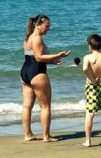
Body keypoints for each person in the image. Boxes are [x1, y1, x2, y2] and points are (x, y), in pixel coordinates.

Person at [20, 14, 70, 142]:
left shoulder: (28, 38)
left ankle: (28, 134)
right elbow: (38, 57)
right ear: (38, 25)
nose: (48, 28)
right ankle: (46, 136)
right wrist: (57, 55)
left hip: (25, 72)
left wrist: (52, 62)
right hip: (37, 73)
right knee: (45, 106)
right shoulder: (37, 38)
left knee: (27, 106)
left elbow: (31, 57)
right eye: (46, 26)